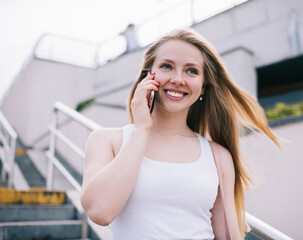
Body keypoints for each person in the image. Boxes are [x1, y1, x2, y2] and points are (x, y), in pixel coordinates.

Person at [80, 28, 280, 239]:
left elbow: (227, 236)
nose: (178, 79)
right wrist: (141, 130)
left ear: (203, 87)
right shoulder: (106, 140)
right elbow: (100, 212)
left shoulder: (218, 156)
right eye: (167, 66)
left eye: (191, 71)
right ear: (149, 74)